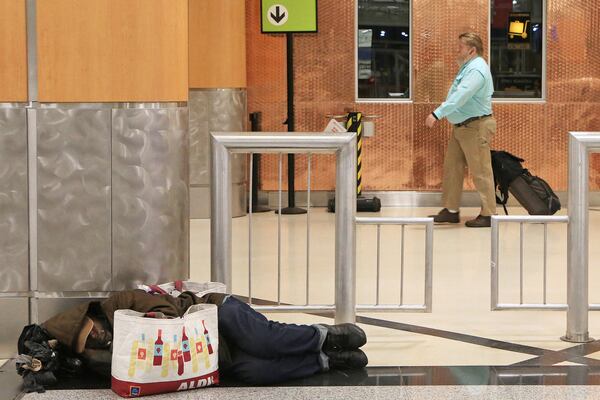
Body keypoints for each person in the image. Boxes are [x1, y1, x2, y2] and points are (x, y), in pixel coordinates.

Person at [38, 289, 368, 385]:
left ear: (92, 317)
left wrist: (158, 319)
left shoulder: (120, 304)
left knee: (262, 342)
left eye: (93, 331)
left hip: (213, 316)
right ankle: (324, 361)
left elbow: (164, 305)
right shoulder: (103, 361)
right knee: (255, 371)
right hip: (202, 355)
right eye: (90, 342)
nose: (98, 338)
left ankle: (323, 336)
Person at [425, 32, 498, 228]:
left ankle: (489, 214)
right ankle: (451, 210)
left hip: (476, 127)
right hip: (462, 128)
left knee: (481, 171)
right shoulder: (468, 67)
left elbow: (461, 96)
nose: (457, 50)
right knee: (452, 168)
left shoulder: (477, 70)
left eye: (460, 47)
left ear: (471, 50)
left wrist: (437, 114)